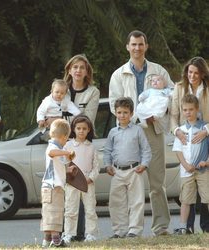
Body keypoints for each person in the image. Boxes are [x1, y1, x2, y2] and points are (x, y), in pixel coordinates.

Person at [109, 30, 174, 236]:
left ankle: (161, 227)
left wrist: (158, 115)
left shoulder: (158, 70)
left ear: (146, 46)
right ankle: (129, 230)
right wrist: (137, 119)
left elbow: (171, 96)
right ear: (127, 47)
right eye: (133, 44)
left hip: (153, 131)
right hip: (129, 133)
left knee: (157, 183)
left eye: (140, 44)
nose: (137, 48)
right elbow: (114, 105)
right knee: (127, 184)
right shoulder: (118, 74)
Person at [170, 56, 209, 233]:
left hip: (206, 137)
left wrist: (206, 131)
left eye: (196, 73)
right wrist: (176, 131)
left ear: (202, 74)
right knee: (188, 187)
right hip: (186, 138)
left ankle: (206, 227)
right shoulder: (178, 88)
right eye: (190, 72)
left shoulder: (207, 89)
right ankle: (188, 227)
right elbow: (172, 115)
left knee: (206, 186)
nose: (192, 75)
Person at [63, 54, 100, 240]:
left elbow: (88, 120)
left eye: (82, 67)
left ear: (87, 72)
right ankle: (66, 233)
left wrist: (72, 126)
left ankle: (86, 233)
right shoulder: (61, 90)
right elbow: (51, 111)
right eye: (75, 67)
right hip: (64, 144)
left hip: (82, 142)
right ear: (69, 70)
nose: (78, 71)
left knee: (87, 200)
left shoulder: (92, 92)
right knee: (69, 197)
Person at [104, 97, 151, 237]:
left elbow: (146, 149)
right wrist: (107, 165)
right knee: (116, 202)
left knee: (136, 201)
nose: (122, 115)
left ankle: (134, 230)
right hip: (117, 171)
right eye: (119, 112)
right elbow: (107, 151)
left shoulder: (137, 130)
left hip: (134, 170)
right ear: (115, 113)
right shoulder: (113, 132)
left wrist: (144, 164)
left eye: (125, 112)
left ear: (131, 113)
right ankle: (120, 231)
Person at [63, 115, 99, 244]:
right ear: (74, 129)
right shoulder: (68, 146)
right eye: (78, 128)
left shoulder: (91, 147)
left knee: (90, 209)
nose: (81, 131)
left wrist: (91, 178)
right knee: (70, 209)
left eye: (84, 128)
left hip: (88, 183)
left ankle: (91, 233)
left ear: (89, 130)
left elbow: (96, 166)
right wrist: (68, 176)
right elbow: (64, 164)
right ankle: (68, 233)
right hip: (72, 183)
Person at [40, 119, 75, 248]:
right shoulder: (53, 147)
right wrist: (67, 152)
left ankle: (47, 240)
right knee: (54, 212)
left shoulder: (57, 148)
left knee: (49, 213)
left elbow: (57, 166)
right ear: (64, 137)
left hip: (54, 185)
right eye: (66, 139)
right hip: (53, 186)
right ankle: (56, 240)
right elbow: (51, 153)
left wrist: (68, 169)